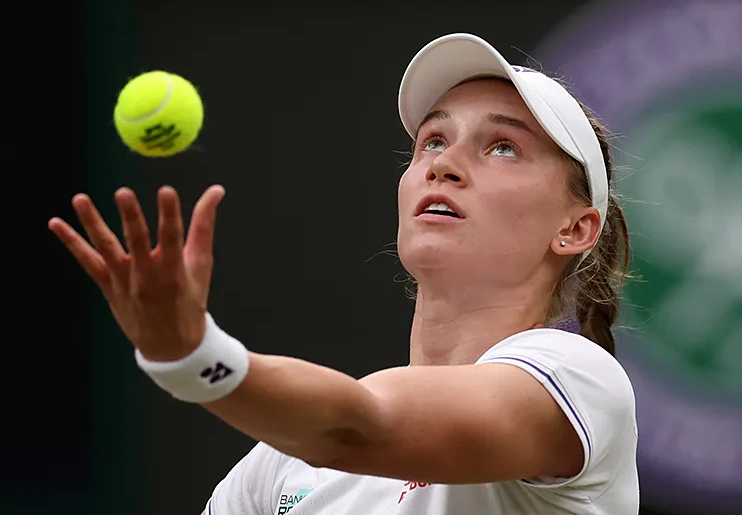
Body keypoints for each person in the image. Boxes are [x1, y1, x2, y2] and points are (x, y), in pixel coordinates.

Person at [49, 33, 639, 514]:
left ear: (575, 230)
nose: (444, 165)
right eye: (432, 140)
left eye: (503, 147)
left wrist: (193, 355)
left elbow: (362, 426)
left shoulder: (581, 383)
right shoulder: (278, 470)